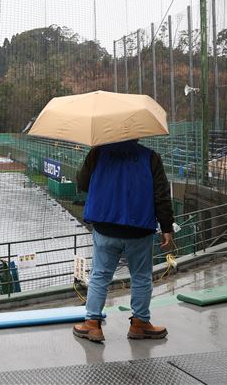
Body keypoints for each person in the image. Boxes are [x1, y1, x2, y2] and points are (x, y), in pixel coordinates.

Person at [72, 139, 174, 343]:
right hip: (139, 228)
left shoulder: (97, 153)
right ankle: (140, 324)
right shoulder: (150, 157)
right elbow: (161, 195)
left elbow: (82, 184)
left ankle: (92, 324)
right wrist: (166, 227)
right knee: (142, 277)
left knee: (100, 275)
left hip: (105, 225)